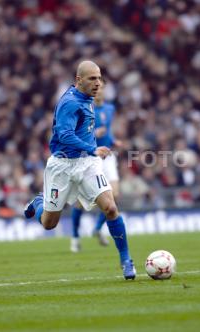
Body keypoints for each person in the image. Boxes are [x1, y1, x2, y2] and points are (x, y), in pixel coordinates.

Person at [24, 60, 136, 280]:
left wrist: (94, 150)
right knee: (49, 223)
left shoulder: (87, 98)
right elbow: (64, 135)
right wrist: (92, 148)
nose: (98, 83)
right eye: (92, 78)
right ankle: (38, 202)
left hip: (86, 164)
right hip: (62, 166)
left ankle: (126, 260)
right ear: (79, 80)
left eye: (99, 78)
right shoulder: (70, 103)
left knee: (111, 207)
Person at [69, 83, 122, 253]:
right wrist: (93, 135)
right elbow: (75, 134)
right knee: (81, 202)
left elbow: (108, 131)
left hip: (107, 156)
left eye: (102, 87)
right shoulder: (85, 109)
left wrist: (113, 140)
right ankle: (75, 237)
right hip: (89, 157)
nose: (99, 90)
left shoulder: (110, 108)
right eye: (96, 87)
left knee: (115, 194)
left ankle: (98, 228)